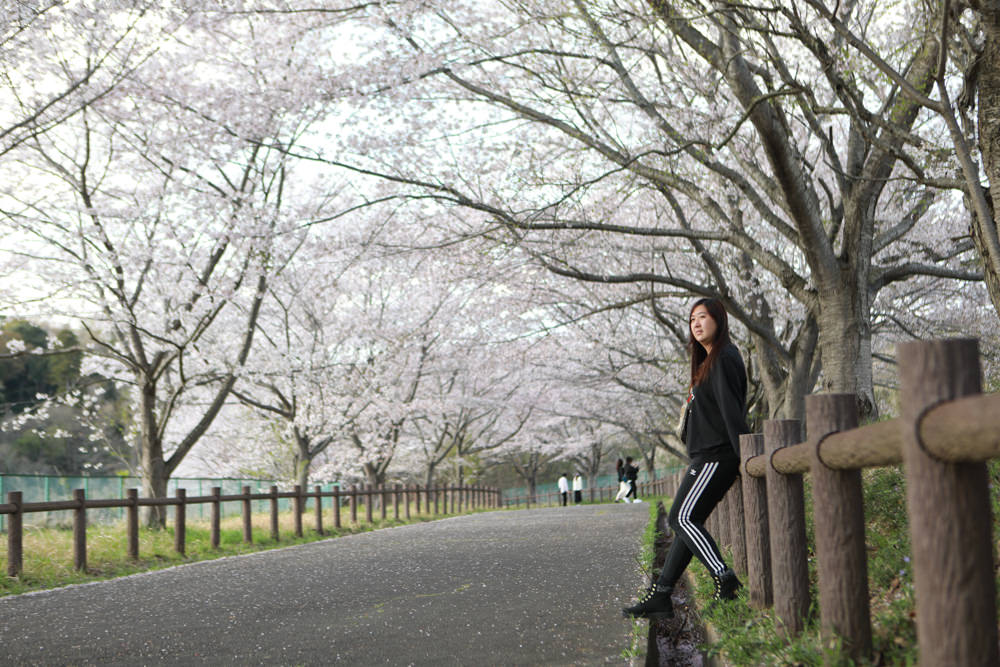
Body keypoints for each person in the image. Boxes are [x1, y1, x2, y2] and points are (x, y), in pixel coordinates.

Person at [623, 298, 749, 620]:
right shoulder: (707, 362)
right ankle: (662, 595)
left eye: (703, 317)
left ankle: (723, 575)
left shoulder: (723, 358)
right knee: (685, 524)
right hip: (706, 456)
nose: (696, 324)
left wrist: (744, 457)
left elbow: (732, 413)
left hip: (716, 457)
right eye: (692, 319)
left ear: (718, 321)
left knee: (680, 516)